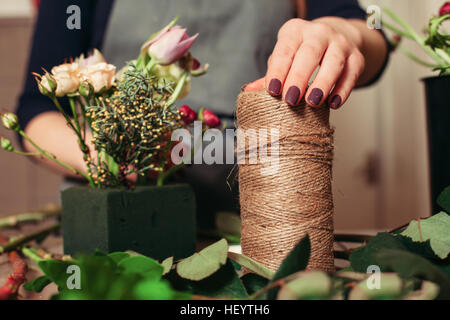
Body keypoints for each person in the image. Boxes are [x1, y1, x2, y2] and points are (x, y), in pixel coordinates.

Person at [16, 0, 390, 228]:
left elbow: (370, 30)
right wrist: (112, 160)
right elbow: (37, 108)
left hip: (259, 225)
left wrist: (343, 35)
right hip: (117, 221)